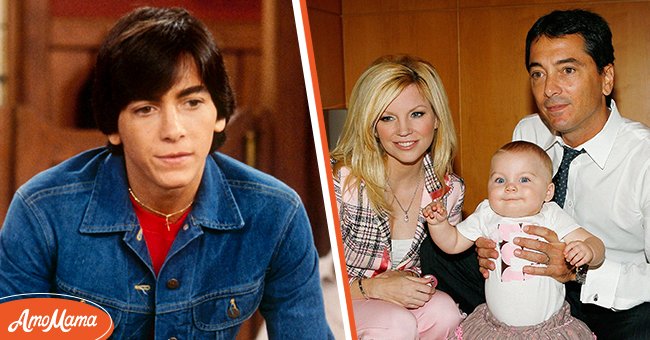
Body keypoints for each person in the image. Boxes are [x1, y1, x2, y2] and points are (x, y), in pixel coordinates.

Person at [0, 7, 333, 339]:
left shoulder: (276, 214)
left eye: (192, 104)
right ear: (114, 127)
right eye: (146, 109)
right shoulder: (41, 211)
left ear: (220, 114)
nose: (173, 131)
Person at [422, 8, 650, 339]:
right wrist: (486, 246)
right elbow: (507, 210)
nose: (549, 90)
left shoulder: (643, 156)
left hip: (605, 297)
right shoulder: (528, 131)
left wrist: (578, 273)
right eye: (538, 74)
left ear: (606, 77)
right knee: (436, 251)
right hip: (523, 284)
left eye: (567, 70)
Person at [331, 54, 464, 339]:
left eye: (417, 114)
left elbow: (446, 263)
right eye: (388, 118)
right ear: (372, 126)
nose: (404, 130)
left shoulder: (449, 189)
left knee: (445, 312)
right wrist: (373, 288)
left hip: (400, 300)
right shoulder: (341, 182)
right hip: (341, 298)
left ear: (437, 118)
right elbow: (308, 278)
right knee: (394, 323)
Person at [424, 141, 602, 339]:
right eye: (500, 180)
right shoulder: (486, 213)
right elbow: (453, 243)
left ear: (548, 192)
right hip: (497, 329)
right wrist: (439, 225)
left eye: (524, 179)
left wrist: (588, 250)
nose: (510, 187)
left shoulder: (551, 215)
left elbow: (595, 243)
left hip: (546, 330)